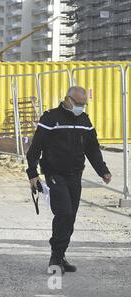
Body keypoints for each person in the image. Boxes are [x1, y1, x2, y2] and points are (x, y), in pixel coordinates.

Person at [26, 86, 112, 274]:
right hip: (55, 174)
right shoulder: (50, 118)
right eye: (78, 103)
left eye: (84, 104)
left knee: (70, 217)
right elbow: (35, 148)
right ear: (68, 99)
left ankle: (61, 255)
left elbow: (92, 149)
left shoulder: (84, 120)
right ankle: (55, 259)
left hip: (75, 174)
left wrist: (103, 171)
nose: (81, 107)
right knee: (64, 213)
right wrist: (32, 173)